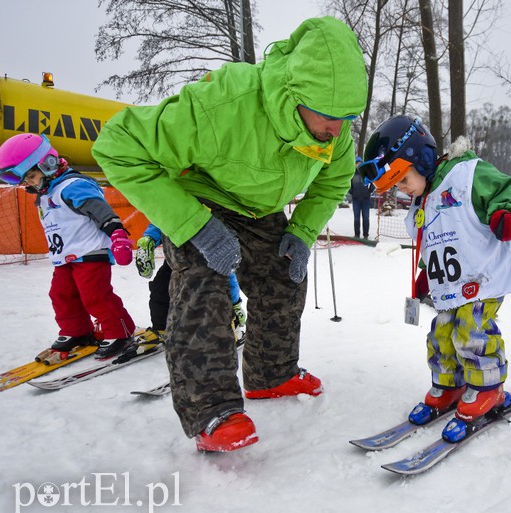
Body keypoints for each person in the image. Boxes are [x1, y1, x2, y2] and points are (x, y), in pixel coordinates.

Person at [92, 16, 367, 453]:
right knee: (204, 281)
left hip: (260, 208)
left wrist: (301, 230)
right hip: (199, 199)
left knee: (285, 272)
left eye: (348, 117)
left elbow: (334, 181)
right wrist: (193, 225)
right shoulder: (224, 103)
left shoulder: (337, 135)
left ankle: (270, 373)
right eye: (330, 117)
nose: (337, 131)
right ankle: (211, 411)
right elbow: (118, 146)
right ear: (294, 95)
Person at [360, 115, 511, 438]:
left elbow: (507, 192)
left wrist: (506, 215)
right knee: (442, 334)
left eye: (402, 180)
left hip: (482, 278)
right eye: (396, 184)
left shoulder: (466, 175)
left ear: (420, 160)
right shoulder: (421, 203)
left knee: (472, 330)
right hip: (449, 286)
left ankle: (487, 388)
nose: (402, 189)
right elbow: (435, 244)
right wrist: (426, 275)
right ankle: (449, 384)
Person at [0, 133, 137, 360]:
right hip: (65, 257)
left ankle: (120, 333)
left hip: (90, 252)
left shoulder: (73, 186)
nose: (29, 183)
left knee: (95, 295)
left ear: (47, 164)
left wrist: (117, 235)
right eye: (25, 180)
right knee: (61, 294)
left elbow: (99, 210)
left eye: (31, 175)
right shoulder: (45, 194)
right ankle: (77, 331)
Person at [135, 222, 247, 342]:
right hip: (177, 259)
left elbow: (227, 273)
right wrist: (149, 239)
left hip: (208, 257)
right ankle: (161, 328)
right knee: (160, 289)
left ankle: (228, 327)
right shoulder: (176, 204)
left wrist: (235, 303)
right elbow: (162, 216)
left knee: (214, 295)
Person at [349, 156, 374, 239]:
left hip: (365, 199)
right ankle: (356, 235)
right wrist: (351, 191)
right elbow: (348, 184)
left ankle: (366, 235)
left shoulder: (366, 173)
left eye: (359, 163)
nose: (358, 165)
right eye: (357, 163)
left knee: (366, 217)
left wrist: (370, 190)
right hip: (356, 199)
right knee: (356, 218)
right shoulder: (352, 174)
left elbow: (373, 182)